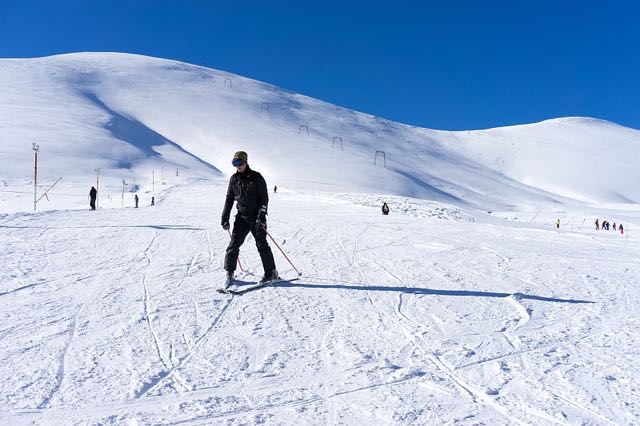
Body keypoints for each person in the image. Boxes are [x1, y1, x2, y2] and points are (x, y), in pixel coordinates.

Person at [221, 151, 277, 289]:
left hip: (256, 217)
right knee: (233, 245)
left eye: (239, 162)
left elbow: (264, 198)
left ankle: (271, 273)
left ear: (246, 162)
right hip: (241, 217)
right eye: (235, 163)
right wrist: (225, 217)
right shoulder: (234, 179)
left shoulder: (257, 177)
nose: (237, 166)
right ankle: (229, 272)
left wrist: (262, 215)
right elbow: (229, 198)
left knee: (262, 245)